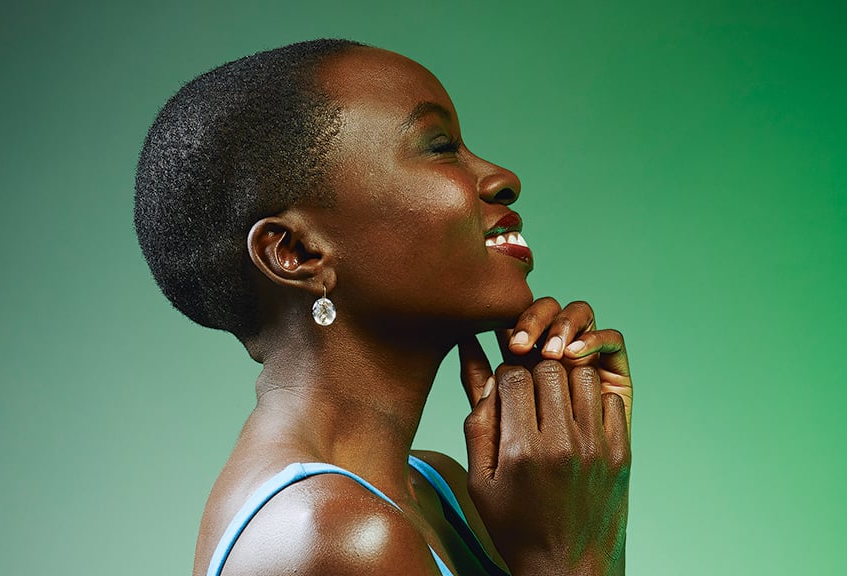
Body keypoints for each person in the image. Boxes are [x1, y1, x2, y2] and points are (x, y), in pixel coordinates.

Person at [135, 39, 634, 576]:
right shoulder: (335, 535)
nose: (502, 178)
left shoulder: (433, 489)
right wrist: (572, 556)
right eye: (441, 147)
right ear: (297, 252)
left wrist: (575, 463)